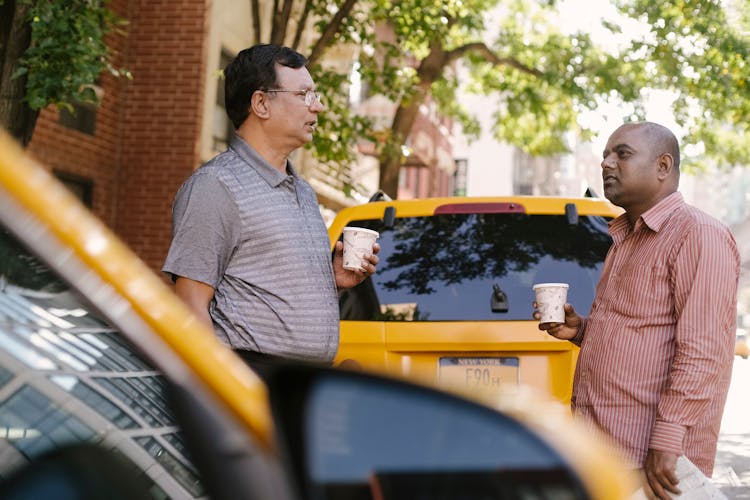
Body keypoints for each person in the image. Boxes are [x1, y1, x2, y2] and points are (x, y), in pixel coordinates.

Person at [534, 122, 740, 499]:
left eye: (622, 154)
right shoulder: (625, 238)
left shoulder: (698, 234)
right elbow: (640, 330)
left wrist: (668, 438)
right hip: (605, 448)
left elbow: (703, 351)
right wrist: (581, 330)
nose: (607, 164)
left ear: (663, 166)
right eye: (605, 156)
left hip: (654, 457)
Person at [162, 44, 379, 366]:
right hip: (251, 378)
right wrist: (229, 390)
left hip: (302, 383)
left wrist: (330, 279)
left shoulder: (303, 191)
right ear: (261, 103)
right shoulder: (216, 186)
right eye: (304, 94)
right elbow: (190, 304)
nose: (317, 107)